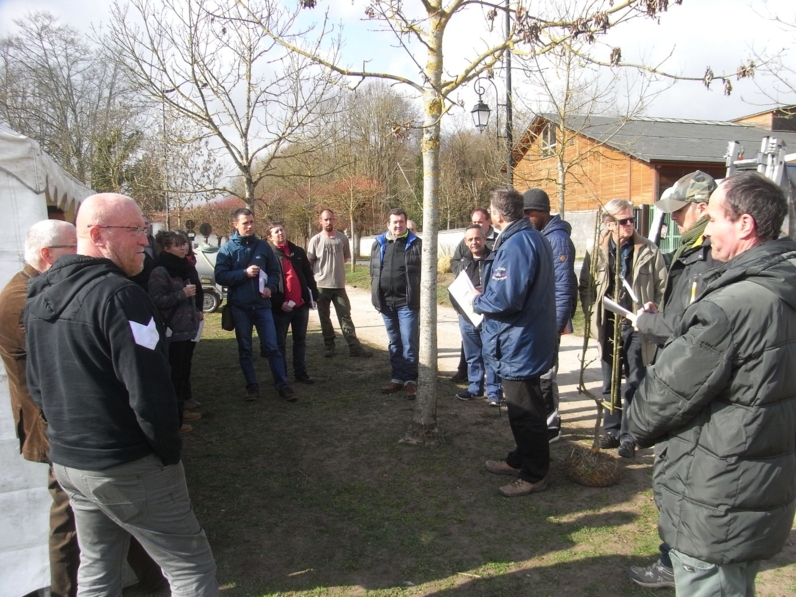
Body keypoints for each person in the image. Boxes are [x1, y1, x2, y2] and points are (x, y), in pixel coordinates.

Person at [25, 194, 217, 596]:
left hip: (72, 464)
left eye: (144, 229)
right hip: (124, 462)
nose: (145, 240)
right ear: (97, 234)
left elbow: (38, 386)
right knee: (189, 565)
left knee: (97, 566)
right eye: (135, 230)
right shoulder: (121, 296)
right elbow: (150, 388)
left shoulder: (41, 295)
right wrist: (167, 450)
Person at [627, 172, 796, 597]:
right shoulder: (782, 287)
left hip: (718, 490)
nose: (708, 228)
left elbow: (663, 396)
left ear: (744, 225)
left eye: (715, 218)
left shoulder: (731, 306)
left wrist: (631, 428)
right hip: (762, 484)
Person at [624, 171, 718, 589]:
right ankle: (673, 559)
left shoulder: (712, 255)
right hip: (677, 372)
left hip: (690, 383)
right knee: (672, 476)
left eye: (679, 213)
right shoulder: (692, 248)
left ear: (701, 207)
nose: (676, 221)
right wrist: (657, 312)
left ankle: (678, 564)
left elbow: (699, 330)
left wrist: (655, 324)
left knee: (687, 482)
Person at [474, 188, 557, 498]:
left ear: (496, 216)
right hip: (526, 335)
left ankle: (535, 474)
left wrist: (479, 300)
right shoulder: (530, 237)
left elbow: (507, 298)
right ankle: (521, 459)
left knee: (525, 411)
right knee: (525, 405)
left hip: (520, 340)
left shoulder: (518, 242)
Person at [578, 199, 666, 458]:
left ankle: (630, 436)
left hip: (637, 327)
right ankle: (612, 430)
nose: (630, 225)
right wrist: (593, 312)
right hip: (609, 325)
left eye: (632, 220)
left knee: (635, 382)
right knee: (610, 382)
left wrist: (653, 311)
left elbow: (663, 288)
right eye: (623, 221)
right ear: (609, 224)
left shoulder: (649, 250)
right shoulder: (597, 252)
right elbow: (585, 286)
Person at [215, 208, 294, 402]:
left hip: (262, 305)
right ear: (235, 225)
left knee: (272, 347)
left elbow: (275, 272)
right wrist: (244, 273)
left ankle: (282, 385)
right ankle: (252, 387)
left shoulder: (263, 246)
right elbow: (220, 276)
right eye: (245, 223)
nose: (249, 226)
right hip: (240, 307)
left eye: (252, 222)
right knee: (245, 349)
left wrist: (270, 287)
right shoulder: (227, 249)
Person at [522, 188, 577, 443]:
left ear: (541, 212)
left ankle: (552, 425)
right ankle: (542, 420)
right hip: (540, 319)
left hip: (550, 322)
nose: (525, 218)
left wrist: (556, 326)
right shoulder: (542, 235)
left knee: (547, 375)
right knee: (540, 373)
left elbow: (564, 286)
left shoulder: (557, 240)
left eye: (528, 213)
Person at [148, 230, 203, 431]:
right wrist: (181, 294)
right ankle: (174, 419)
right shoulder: (160, 271)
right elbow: (155, 300)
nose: (183, 247)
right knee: (173, 375)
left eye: (184, 244)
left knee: (182, 372)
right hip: (173, 330)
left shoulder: (184, 267)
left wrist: (196, 309)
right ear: (166, 248)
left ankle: (182, 410)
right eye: (177, 245)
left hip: (187, 328)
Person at [370, 208, 422, 399]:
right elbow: (374, 272)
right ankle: (397, 379)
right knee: (394, 342)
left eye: (401, 222)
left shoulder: (416, 244)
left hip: (407, 303)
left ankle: (410, 381)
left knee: (409, 342)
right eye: (394, 222)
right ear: (388, 224)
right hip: (386, 303)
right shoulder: (379, 244)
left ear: (406, 223)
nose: (398, 225)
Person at [306, 209, 372, 358]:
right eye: (326, 219)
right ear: (320, 221)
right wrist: (311, 284)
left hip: (339, 286)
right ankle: (329, 346)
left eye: (331, 219)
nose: (329, 222)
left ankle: (354, 347)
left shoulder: (342, 239)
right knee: (325, 317)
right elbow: (309, 263)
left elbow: (345, 258)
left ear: (334, 220)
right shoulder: (316, 240)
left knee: (345, 316)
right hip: (322, 286)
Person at [450, 225, 502, 405]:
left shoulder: (494, 260)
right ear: (466, 242)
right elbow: (456, 289)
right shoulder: (463, 264)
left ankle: (494, 392)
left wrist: (484, 294)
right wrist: (459, 308)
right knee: (472, 355)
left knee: (491, 354)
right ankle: (474, 388)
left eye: (477, 238)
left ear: (484, 239)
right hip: (467, 318)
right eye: (470, 240)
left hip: (489, 317)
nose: (474, 242)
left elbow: (501, 288)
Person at [268, 221, 319, 386]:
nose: (280, 233)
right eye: (276, 232)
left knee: (300, 341)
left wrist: (314, 296)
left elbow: (308, 275)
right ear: (270, 237)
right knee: (279, 343)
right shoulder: (269, 256)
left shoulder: (298, 251)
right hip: (281, 307)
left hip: (300, 305)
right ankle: (282, 376)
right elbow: (266, 283)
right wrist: (278, 303)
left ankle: (301, 372)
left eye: (282, 230)